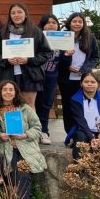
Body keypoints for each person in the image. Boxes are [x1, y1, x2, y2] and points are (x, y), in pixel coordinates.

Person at [0, 79, 47, 199]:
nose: (8, 92)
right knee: (15, 177)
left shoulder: (24, 109)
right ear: (0, 92)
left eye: (11, 89)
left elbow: (37, 128)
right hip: (5, 149)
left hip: (24, 148)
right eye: (5, 90)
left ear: (15, 92)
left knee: (23, 177)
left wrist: (25, 135)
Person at [0, 2, 52, 107]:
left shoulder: (35, 31)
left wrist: (29, 60)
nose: (16, 15)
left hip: (30, 75)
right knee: (10, 106)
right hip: (8, 75)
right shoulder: (3, 32)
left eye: (19, 12)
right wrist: (6, 61)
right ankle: (12, 124)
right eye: (13, 13)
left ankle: (30, 124)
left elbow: (46, 53)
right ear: (10, 16)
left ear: (25, 14)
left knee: (28, 106)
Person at [59, 12, 100, 136]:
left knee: (84, 106)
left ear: (83, 24)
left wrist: (84, 69)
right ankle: (70, 134)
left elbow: (94, 57)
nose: (77, 24)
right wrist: (67, 66)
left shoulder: (90, 37)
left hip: (83, 79)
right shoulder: (63, 36)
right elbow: (57, 57)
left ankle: (85, 133)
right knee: (68, 106)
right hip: (66, 78)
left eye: (80, 22)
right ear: (69, 23)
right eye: (74, 21)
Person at [68, 72, 100, 161]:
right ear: (81, 83)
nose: (89, 84)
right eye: (86, 82)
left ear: (97, 84)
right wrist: (92, 138)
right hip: (84, 130)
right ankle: (78, 167)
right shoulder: (75, 99)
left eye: (93, 82)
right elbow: (80, 121)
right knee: (80, 139)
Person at [35, 14, 62, 145]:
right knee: (34, 103)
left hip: (51, 77)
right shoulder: (37, 37)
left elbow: (64, 62)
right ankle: (35, 131)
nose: (51, 25)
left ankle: (44, 131)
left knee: (46, 104)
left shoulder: (64, 40)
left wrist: (67, 55)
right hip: (36, 76)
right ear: (43, 25)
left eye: (54, 22)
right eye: (48, 22)